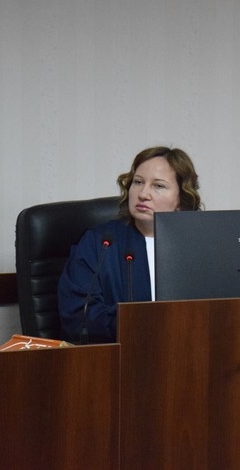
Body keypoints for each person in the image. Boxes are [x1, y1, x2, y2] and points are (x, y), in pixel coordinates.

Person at [57, 146, 203, 343]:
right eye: (138, 182)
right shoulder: (100, 243)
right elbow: (77, 317)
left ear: (181, 199)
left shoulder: (198, 247)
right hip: (117, 354)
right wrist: (143, 322)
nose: (143, 194)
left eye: (158, 186)